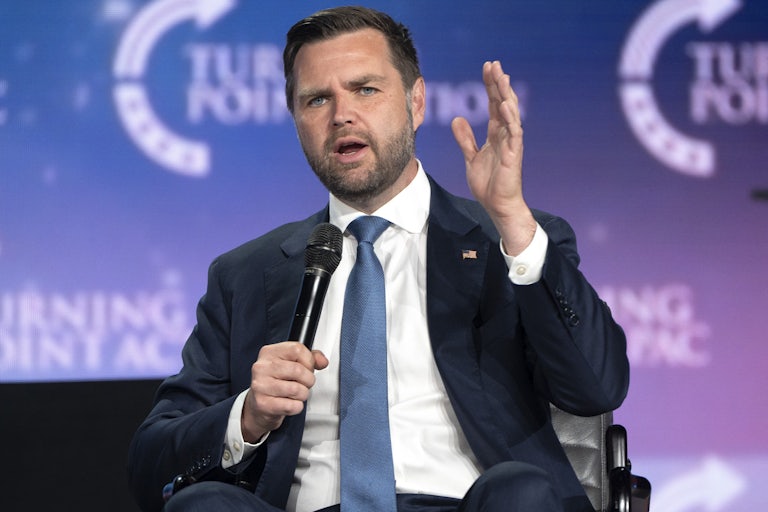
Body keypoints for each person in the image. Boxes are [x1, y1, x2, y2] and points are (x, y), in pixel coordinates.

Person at [127, 6, 629, 512]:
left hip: (470, 503)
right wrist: (247, 416)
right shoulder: (244, 275)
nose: (341, 113)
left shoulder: (509, 240)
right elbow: (151, 465)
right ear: (297, 121)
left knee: (522, 494)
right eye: (317, 99)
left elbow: (596, 387)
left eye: (365, 89)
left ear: (415, 103)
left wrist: (512, 219)